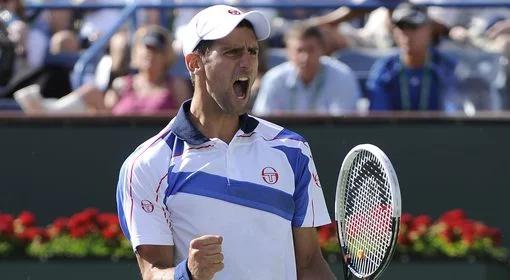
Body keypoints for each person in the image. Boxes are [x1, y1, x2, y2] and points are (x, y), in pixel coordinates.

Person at [116, 5, 335, 280]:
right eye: (232, 52)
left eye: (252, 51)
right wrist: (188, 273)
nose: (247, 62)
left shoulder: (292, 150)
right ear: (194, 63)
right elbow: (152, 273)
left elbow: (310, 263)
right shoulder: (148, 164)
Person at [252, 23, 361, 115]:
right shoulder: (274, 79)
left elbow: (343, 125)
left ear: (323, 50)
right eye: (299, 50)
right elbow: (264, 121)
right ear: (287, 52)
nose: (305, 57)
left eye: (311, 49)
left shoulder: (343, 77)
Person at [366, 3, 459, 111]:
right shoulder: (384, 68)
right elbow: (379, 116)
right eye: (401, 27)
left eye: (414, 27)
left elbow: (454, 115)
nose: (407, 34)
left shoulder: (447, 67)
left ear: (429, 30)